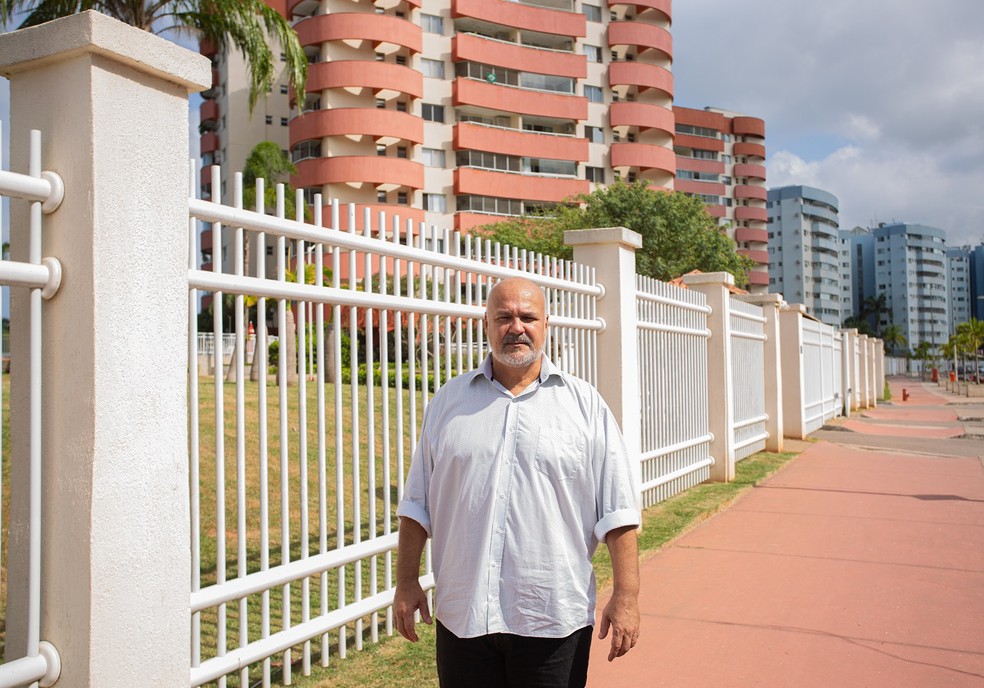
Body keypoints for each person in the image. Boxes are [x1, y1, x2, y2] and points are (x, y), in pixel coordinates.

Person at [394, 276, 641, 688]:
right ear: (485, 324)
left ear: (546, 323)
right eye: (504, 317)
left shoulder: (585, 406)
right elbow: (417, 504)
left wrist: (627, 596)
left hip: (552, 619)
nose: (516, 327)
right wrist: (405, 582)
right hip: (463, 616)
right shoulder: (448, 403)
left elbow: (618, 511)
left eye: (528, 317)